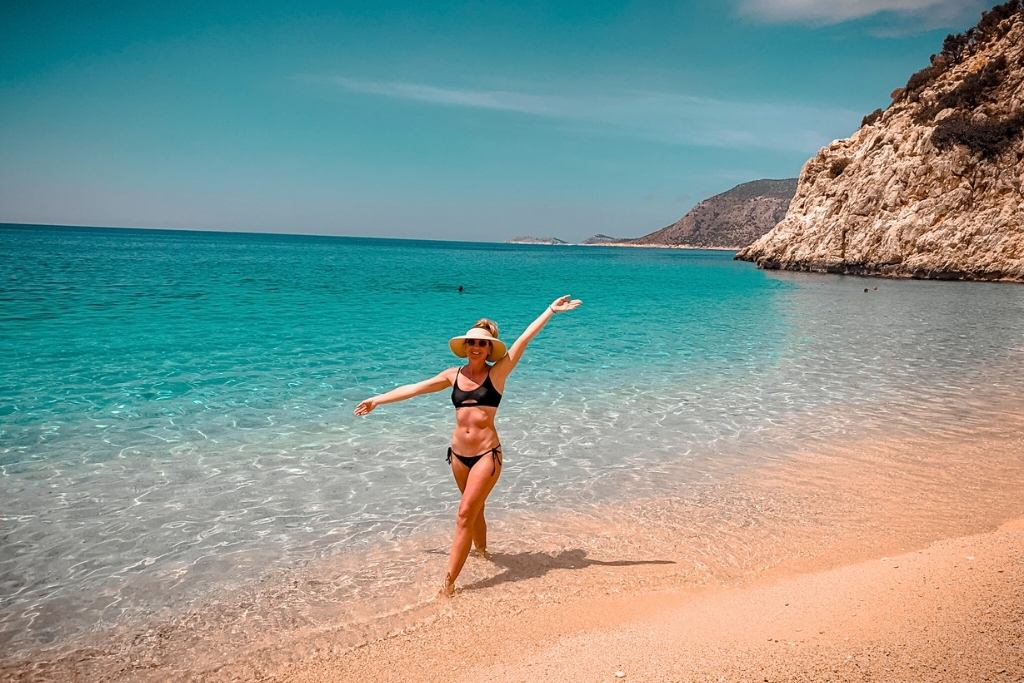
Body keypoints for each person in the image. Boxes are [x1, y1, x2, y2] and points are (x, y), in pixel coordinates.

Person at [353, 294, 583, 596]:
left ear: (490, 349)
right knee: (475, 510)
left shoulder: (497, 373)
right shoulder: (453, 375)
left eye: (483, 343)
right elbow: (414, 389)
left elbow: (524, 340)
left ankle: (447, 586)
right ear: (466, 347)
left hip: (487, 455)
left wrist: (550, 311)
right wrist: (377, 400)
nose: (476, 347)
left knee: (463, 514)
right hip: (458, 457)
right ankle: (483, 553)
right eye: (472, 343)